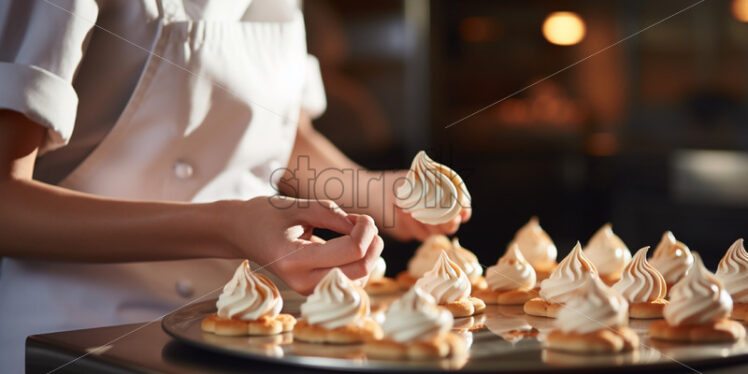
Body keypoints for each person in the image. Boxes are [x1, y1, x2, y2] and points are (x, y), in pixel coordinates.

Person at [0, 1, 470, 372]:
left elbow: (283, 135)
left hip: (237, 335)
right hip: (75, 338)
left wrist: (373, 191)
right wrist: (228, 226)